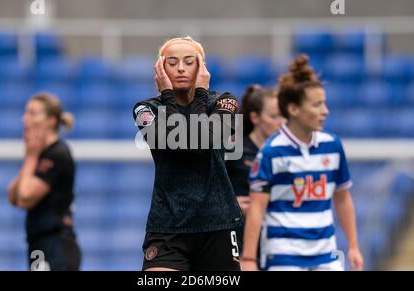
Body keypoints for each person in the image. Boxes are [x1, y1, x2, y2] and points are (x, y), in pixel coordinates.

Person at [241, 54, 364, 271]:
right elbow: (257, 208)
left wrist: (353, 245)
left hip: (326, 255)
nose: (325, 111)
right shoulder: (271, 152)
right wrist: (249, 259)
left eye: (324, 103)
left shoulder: (333, 146)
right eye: (317, 105)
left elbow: (343, 198)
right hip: (283, 256)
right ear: (293, 109)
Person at [132, 36, 243, 271]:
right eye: (171, 63)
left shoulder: (225, 101)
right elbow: (179, 143)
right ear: (160, 70)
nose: (180, 68)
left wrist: (201, 93)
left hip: (218, 225)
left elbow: (202, 141)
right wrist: (169, 97)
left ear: (202, 68)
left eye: (189, 61)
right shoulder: (146, 109)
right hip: (168, 226)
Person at [8, 92, 81, 271]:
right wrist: (31, 157)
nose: (25, 119)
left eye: (33, 113)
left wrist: (31, 157)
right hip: (39, 243)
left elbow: (25, 198)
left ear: (51, 121)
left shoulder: (57, 154)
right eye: (26, 113)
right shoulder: (41, 154)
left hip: (55, 244)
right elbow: (13, 197)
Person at [225, 84, 283, 267]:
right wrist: (230, 205)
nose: (281, 122)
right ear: (255, 117)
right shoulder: (233, 148)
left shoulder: (288, 152)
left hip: (277, 237)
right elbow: (204, 188)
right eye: (274, 116)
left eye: (284, 116)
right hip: (239, 238)